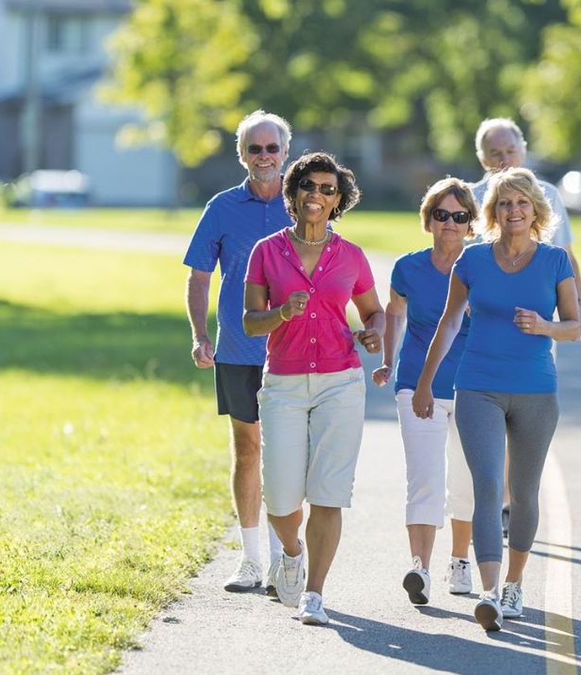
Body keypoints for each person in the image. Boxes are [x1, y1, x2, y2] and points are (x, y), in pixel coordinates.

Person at [412, 168, 581, 632]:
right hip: (478, 386)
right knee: (487, 485)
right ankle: (487, 593)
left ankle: (514, 582)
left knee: (523, 492)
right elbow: (448, 324)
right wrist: (426, 383)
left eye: (522, 203)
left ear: (536, 210)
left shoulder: (554, 261)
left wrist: (544, 327)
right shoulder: (472, 261)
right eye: (504, 203)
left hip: (535, 391)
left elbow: (575, 326)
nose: (513, 211)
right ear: (492, 212)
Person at [243, 151, 384, 625]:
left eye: (327, 189)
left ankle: (315, 595)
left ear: (338, 199)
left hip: (340, 382)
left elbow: (373, 312)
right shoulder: (266, 251)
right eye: (308, 186)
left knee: (328, 493)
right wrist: (281, 312)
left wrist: (372, 333)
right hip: (282, 382)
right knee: (281, 501)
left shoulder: (351, 256)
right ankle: (291, 550)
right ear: (294, 192)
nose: (316, 195)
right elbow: (248, 322)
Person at [183, 110, 291, 594]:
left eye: (272, 148)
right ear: (242, 154)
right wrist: (199, 335)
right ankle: (252, 560)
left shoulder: (306, 202)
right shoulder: (222, 207)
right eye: (255, 149)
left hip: (296, 352)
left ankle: (284, 560)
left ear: (285, 152)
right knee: (248, 451)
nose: (264, 157)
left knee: (289, 457)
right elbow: (199, 275)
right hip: (238, 348)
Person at [469, 117, 581, 537]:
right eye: (495, 153)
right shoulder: (472, 197)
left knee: (524, 411)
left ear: (523, 149)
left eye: (510, 150)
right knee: (489, 413)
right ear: (483, 158)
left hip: (536, 322)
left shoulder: (548, 195)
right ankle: (499, 498)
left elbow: (565, 256)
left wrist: (580, 307)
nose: (504, 159)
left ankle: (513, 498)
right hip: (485, 324)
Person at [371, 178, 479, 604]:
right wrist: (386, 360)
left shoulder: (482, 266)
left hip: (473, 386)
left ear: (471, 223)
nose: (449, 223)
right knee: (425, 478)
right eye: (441, 215)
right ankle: (420, 568)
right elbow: (395, 314)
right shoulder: (408, 268)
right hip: (417, 384)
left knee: (466, 482)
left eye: (459, 216)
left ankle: (460, 560)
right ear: (428, 219)